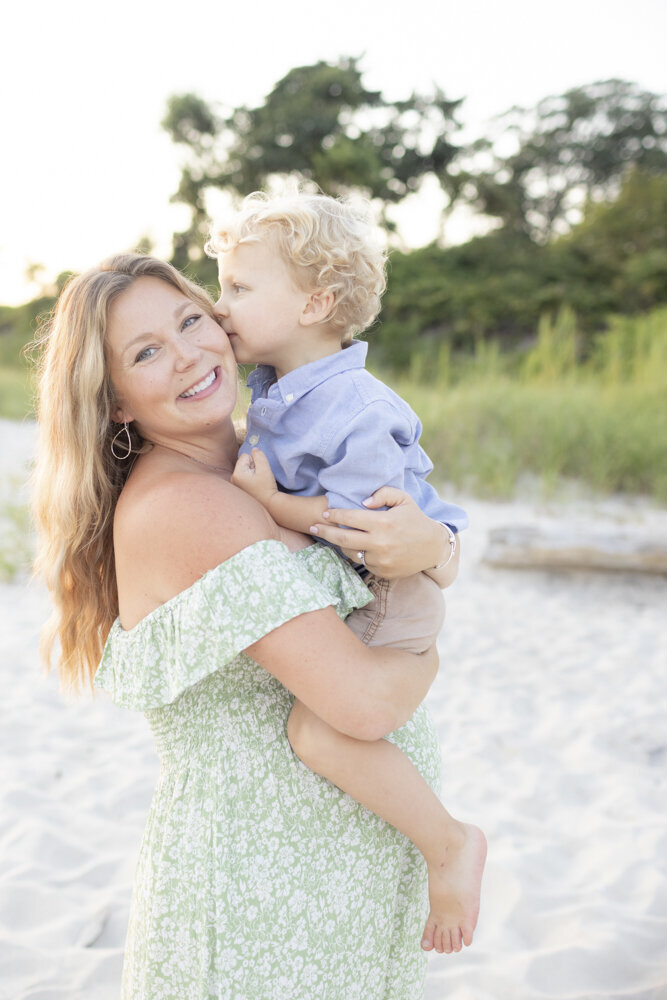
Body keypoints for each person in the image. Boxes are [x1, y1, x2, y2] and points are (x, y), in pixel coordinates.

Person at [32, 253, 475, 1000]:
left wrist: (439, 547)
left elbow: (397, 533)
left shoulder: (264, 463)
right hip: (260, 900)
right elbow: (364, 704)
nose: (187, 355)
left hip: (331, 877)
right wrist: (432, 638)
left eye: (189, 320)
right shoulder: (186, 506)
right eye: (146, 352)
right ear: (115, 403)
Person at [207, 190, 486, 953]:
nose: (219, 304)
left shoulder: (355, 407)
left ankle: (449, 843)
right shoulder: (275, 387)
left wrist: (270, 504)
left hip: (391, 593)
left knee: (320, 732)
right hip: (366, 585)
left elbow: (364, 531)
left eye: (239, 287)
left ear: (315, 303)